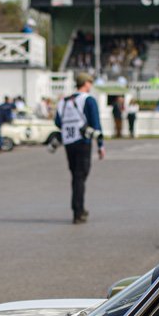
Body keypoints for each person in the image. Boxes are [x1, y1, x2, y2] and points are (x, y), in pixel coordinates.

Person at [54, 72, 104, 225]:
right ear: (86, 83)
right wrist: (100, 145)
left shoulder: (63, 101)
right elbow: (95, 123)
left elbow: (58, 122)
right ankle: (78, 211)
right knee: (81, 175)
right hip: (83, 141)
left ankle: (78, 207)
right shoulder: (87, 100)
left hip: (69, 142)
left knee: (76, 175)